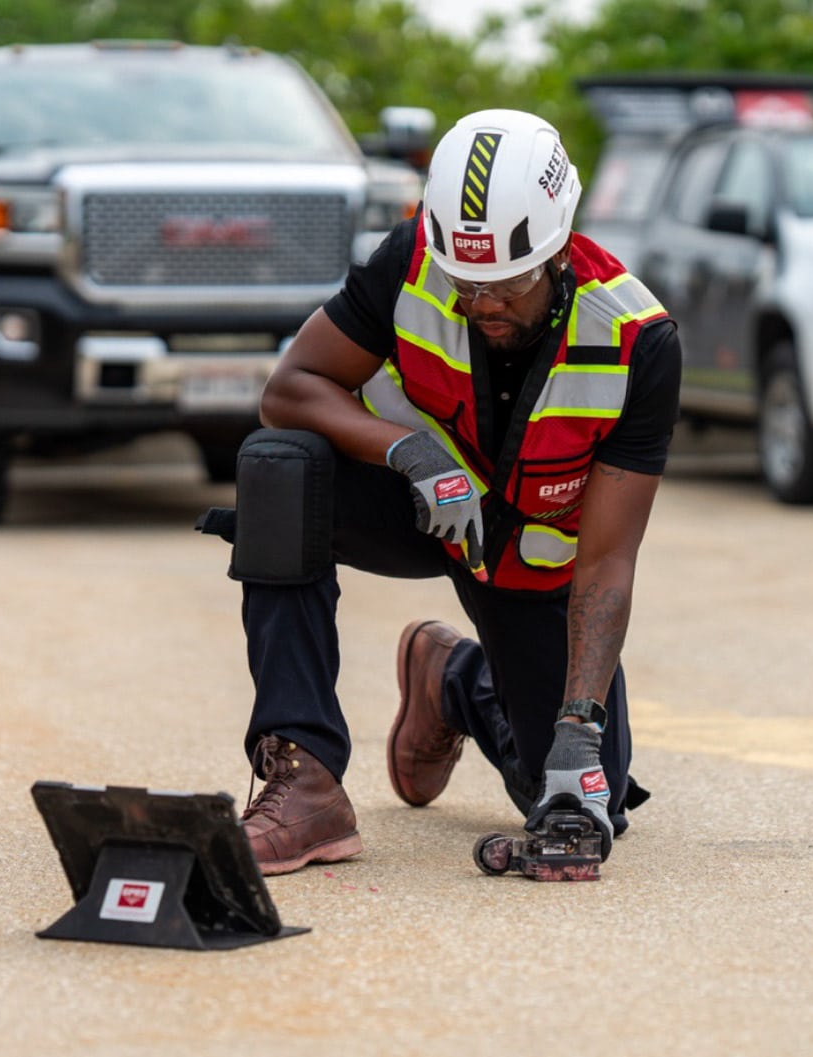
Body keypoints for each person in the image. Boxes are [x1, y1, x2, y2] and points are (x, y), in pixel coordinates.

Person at [221, 108, 681, 875]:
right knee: (280, 464)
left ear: (560, 247)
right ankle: (303, 778)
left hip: (530, 559)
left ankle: (451, 680)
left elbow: (606, 562)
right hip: (415, 503)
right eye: (467, 282)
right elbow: (291, 387)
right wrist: (408, 450)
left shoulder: (639, 342)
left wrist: (578, 730)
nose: (483, 303)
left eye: (507, 283)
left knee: (572, 796)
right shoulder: (411, 262)